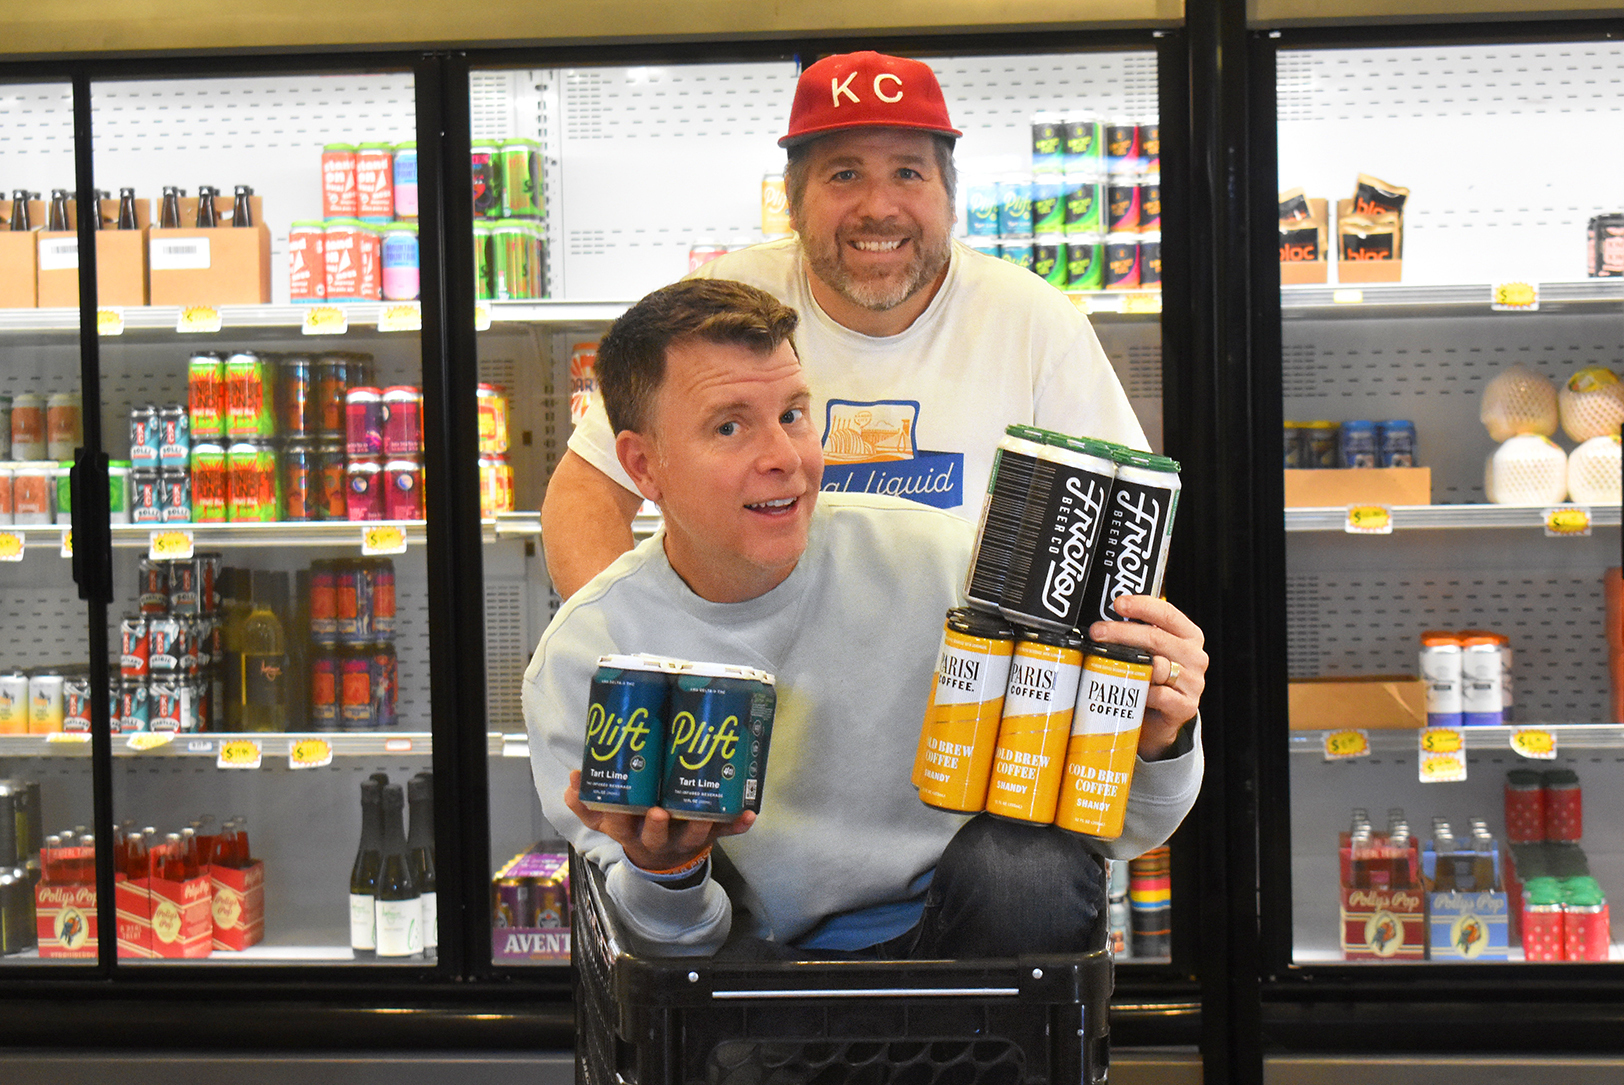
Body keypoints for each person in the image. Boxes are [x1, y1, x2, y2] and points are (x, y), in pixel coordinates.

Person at [523, 278, 1205, 959]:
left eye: (793, 414)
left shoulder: (945, 564)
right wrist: (667, 871)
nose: (784, 458)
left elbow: (1118, 833)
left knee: (1027, 869)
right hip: (756, 982)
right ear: (643, 465)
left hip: (964, 952)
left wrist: (1152, 741)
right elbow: (670, 949)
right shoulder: (588, 653)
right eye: (729, 426)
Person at [542, 50, 1149, 600]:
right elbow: (586, 494)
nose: (878, 208)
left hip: (965, 678)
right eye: (844, 174)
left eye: (908, 173)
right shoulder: (717, 305)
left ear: (950, 197)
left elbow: (1124, 536)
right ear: (792, 199)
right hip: (754, 677)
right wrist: (637, 653)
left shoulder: (1033, 319)